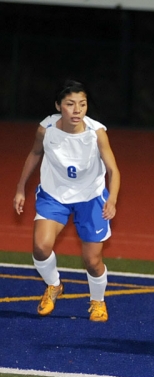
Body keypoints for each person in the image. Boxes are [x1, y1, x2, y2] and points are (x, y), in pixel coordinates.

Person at [13, 79, 121, 322]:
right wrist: (21, 187)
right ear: (58, 106)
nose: (77, 110)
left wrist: (111, 199)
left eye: (82, 104)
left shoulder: (96, 133)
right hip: (55, 195)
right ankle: (54, 285)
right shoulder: (46, 129)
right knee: (41, 248)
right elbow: (35, 153)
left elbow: (113, 170)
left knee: (92, 261)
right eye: (70, 104)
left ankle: (97, 301)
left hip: (91, 199)